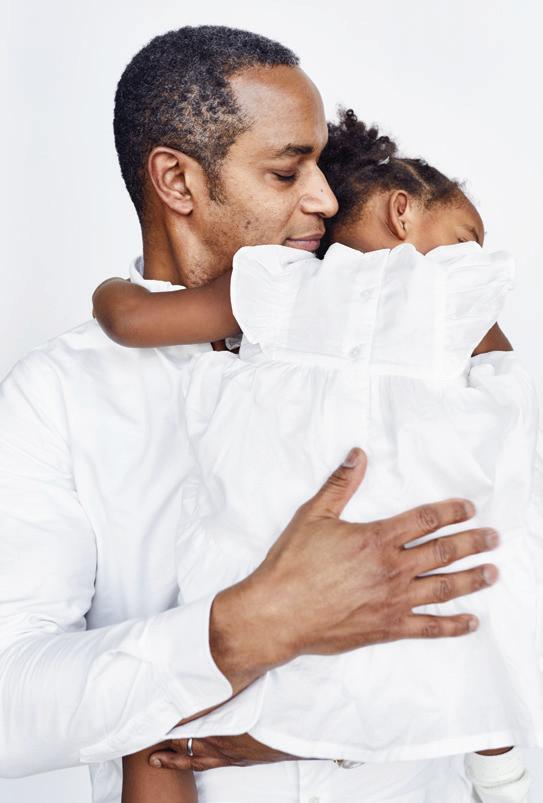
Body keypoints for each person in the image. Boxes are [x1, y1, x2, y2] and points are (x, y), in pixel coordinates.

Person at [0, 26, 500, 803]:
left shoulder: (403, 337)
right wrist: (250, 624)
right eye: (286, 171)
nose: (325, 198)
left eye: (320, 164)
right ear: (177, 180)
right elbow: (10, 707)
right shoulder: (59, 395)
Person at [93, 112, 539, 803]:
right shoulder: (450, 292)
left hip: (275, 518)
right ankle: (495, 758)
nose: (473, 254)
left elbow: (130, 321)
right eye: (464, 237)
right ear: (401, 212)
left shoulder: (276, 284)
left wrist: (107, 290)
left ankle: (294, 727)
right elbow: (508, 384)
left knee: (221, 628)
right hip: (403, 519)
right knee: (484, 576)